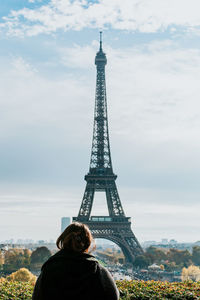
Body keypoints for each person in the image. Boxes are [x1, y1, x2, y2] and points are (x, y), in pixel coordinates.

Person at [32, 222, 119, 300]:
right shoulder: (98, 270)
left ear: (63, 240)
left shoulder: (49, 268)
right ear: (87, 242)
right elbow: (113, 296)